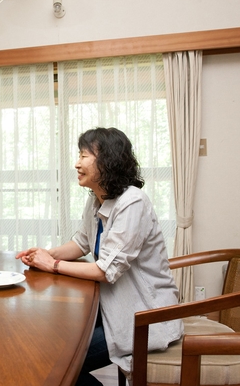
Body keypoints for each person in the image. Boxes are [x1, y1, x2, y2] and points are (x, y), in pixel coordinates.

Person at [16, 127, 183, 385]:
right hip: (110, 310)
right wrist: (45, 254)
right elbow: (81, 242)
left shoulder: (133, 202)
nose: (77, 163)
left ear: (108, 160)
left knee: (54, 363)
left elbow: (105, 271)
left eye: (84, 156)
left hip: (143, 317)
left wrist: (53, 265)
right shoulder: (98, 199)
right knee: (48, 343)